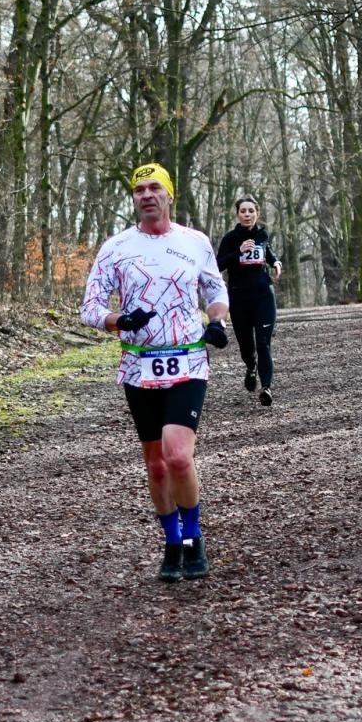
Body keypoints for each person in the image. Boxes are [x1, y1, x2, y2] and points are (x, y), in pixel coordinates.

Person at [81, 161, 230, 582]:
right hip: (138, 365)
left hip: (187, 360)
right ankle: (170, 542)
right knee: (157, 466)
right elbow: (90, 308)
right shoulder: (116, 248)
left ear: (169, 194)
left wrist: (217, 321)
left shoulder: (195, 242)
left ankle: (193, 538)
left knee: (178, 456)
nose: (146, 195)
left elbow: (215, 292)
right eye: (138, 189)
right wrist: (118, 321)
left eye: (154, 188)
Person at [214, 196, 282, 407]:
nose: (247, 215)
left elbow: (267, 252)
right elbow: (218, 265)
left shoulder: (262, 234)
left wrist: (275, 262)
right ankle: (251, 366)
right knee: (246, 345)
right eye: (243, 211)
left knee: (264, 343)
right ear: (238, 214)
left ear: (257, 214)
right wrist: (238, 252)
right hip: (239, 296)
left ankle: (267, 387)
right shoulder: (230, 238)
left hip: (263, 295)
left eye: (251, 211)